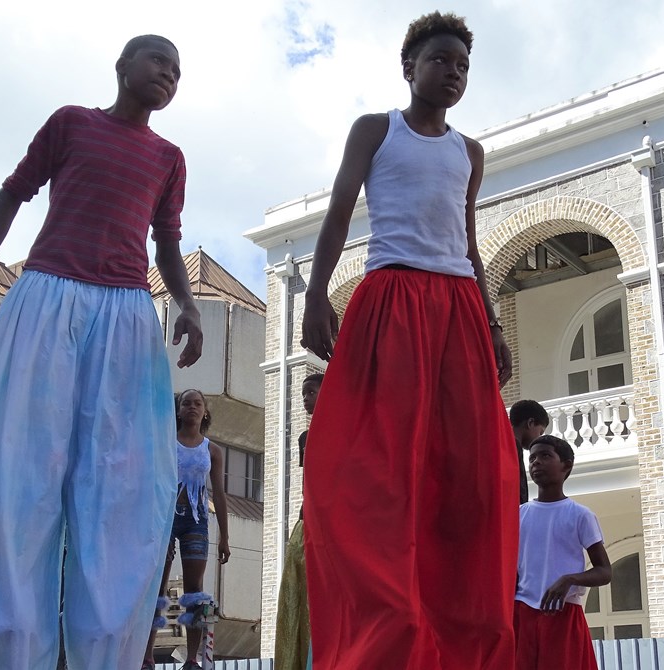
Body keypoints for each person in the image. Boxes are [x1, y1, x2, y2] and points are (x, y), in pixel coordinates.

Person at [0, 35, 202, 670]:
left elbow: (166, 243)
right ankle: (1, 653)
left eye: (179, 71)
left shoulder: (170, 157)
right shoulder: (72, 123)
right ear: (122, 66)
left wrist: (185, 303)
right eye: (158, 61)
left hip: (128, 315)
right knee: (21, 475)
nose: (169, 74)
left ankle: (106, 656)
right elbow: (11, 193)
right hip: (49, 299)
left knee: (120, 489)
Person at [298, 11, 518, 670]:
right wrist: (314, 294)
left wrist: (493, 324)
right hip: (391, 297)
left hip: (456, 307)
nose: (452, 73)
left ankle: (455, 643)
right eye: (440, 61)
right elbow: (339, 211)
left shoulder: (468, 152)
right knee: (381, 465)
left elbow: (470, 246)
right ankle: (381, 639)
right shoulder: (376, 130)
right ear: (410, 68)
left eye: (462, 66)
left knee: (466, 473)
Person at [142, 389, 230, 670]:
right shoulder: (166, 443)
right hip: (167, 518)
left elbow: (220, 493)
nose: (192, 407)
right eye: (186, 403)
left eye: (197, 403)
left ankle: (193, 658)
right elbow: (153, 484)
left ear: (205, 411)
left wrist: (225, 537)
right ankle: (146, 655)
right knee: (158, 586)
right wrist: (155, 525)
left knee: (194, 591)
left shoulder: (212, 450)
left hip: (197, 521)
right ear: (178, 411)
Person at [514, 435, 611, 670]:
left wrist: (570, 579)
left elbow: (604, 571)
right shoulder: (518, 514)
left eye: (545, 456)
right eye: (532, 457)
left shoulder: (580, 515)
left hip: (563, 614)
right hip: (521, 614)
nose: (536, 462)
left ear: (566, 465)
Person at [275, 373, 324, 670]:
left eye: (311, 392)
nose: (306, 398)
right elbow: (309, 481)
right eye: (303, 393)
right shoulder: (305, 437)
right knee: (297, 590)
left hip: (330, 522)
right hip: (307, 521)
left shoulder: (343, 429)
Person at [510, 399, 550, 505]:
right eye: (540, 432)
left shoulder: (506, 444)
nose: (539, 438)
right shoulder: (512, 447)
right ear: (530, 423)